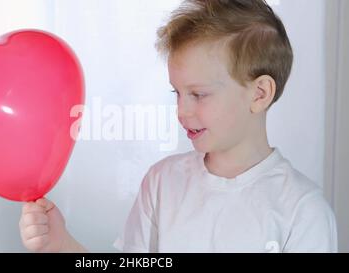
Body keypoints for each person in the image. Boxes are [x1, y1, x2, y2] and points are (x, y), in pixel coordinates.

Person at [19, 0, 338, 253]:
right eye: (178, 93)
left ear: (259, 93)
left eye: (198, 94)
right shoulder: (162, 183)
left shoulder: (302, 210)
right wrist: (60, 246)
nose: (182, 110)